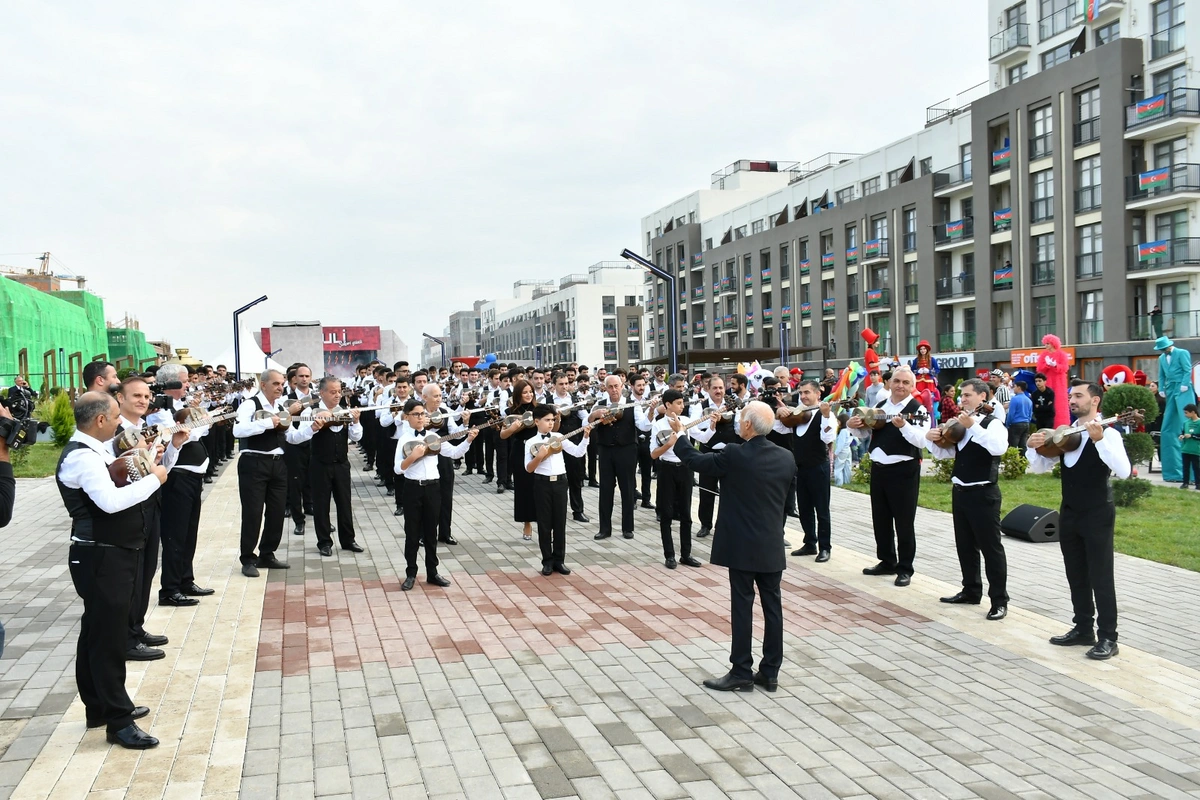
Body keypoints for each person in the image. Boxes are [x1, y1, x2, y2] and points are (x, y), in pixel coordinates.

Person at [57, 391, 169, 749]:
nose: (122, 422)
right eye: (117, 416)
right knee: (108, 639)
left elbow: (119, 479)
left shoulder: (97, 451)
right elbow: (109, 502)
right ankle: (119, 721)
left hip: (109, 553)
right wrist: (155, 479)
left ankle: (99, 707)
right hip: (100, 556)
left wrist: (147, 462)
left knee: (96, 631)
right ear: (100, 420)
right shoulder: (82, 458)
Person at [670, 401, 795, 693]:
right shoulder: (786, 457)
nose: (737, 422)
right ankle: (770, 672)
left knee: (742, 606)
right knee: (773, 607)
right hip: (771, 542)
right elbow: (787, 501)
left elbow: (696, 461)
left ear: (748, 425)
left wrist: (680, 436)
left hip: (741, 544)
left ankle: (741, 671)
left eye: (740, 418)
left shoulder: (735, 454)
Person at [1026, 381, 1130, 660]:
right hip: (1069, 511)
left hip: (1097, 512)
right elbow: (1039, 467)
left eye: (1078, 396)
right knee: (1076, 572)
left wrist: (1099, 440)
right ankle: (1083, 628)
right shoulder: (1066, 433)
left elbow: (1123, 470)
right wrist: (1033, 447)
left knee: (1101, 575)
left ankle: (1108, 637)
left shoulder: (1109, 433)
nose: (1072, 400)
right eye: (1070, 396)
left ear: (1095, 401)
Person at [924, 379, 1009, 620]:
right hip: (960, 491)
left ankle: (999, 600)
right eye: (962, 396)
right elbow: (948, 453)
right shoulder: (961, 423)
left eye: (968, 395)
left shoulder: (993, 424)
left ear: (983, 397)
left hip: (983, 492)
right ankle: (971, 590)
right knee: (965, 545)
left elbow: (998, 448)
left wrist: (973, 427)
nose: (963, 399)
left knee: (991, 548)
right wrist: (931, 439)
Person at [848, 366, 930, 586]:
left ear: (912, 386)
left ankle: (905, 568)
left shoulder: (918, 409)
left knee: (904, 521)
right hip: (879, 469)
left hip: (904, 470)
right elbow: (866, 432)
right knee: (881, 519)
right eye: (897, 381)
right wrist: (853, 426)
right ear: (889, 383)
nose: (900, 386)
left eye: (905, 382)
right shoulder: (881, 406)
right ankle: (887, 561)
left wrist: (904, 426)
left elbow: (922, 441)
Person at [232, 369, 308, 577]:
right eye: (275, 384)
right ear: (263, 384)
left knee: (276, 512)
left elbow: (292, 436)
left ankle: (267, 553)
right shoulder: (250, 404)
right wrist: (267, 423)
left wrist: (312, 430)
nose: (280, 388)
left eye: (282, 384)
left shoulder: (281, 407)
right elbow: (238, 431)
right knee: (253, 513)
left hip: (278, 463)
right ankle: (248, 558)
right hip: (253, 463)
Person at [395, 399, 477, 590]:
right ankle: (411, 573)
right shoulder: (404, 439)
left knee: (431, 532)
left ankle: (432, 572)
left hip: (433, 488)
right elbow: (398, 469)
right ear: (407, 417)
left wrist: (469, 440)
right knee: (412, 533)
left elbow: (454, 453)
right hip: (413, 488)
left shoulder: (433, 437)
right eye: (416, 414)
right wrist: (413, 457)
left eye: (422, 414)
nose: (420, 417)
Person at [289, 377, 363, 556]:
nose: (337, 395)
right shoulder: (311, 411)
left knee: (345, 503)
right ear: (322, 393)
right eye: (333, 392)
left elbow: (356, 437)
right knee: (321, 505)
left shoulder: (343, 410)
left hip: (342, 464)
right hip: (320, 465)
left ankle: (348, 540)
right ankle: (324, 542)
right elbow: (298, 437)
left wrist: (356, 421)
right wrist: (313, 427)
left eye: (339, 391)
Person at [525, 405, 590, 575]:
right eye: (547, 420)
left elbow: (577, 453)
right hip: (542, 484)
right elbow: (529, 468)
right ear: (536, 421)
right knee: (544, 524)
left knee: (560, 523)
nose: (551, 423)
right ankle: (547, 561)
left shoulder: (559, 437)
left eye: (552, 420)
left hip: (560, 482)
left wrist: (585, 437)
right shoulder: (531, 442)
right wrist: (540, 456)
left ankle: (559, 560)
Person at [779, 380, 837, 562]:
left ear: (818, 394)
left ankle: (825, 547)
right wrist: (779, 413)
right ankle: (810, 542)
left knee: (822, 510)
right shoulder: (798, 413)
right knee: (804, 508)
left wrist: (826, 416)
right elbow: (779, 428)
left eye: (807, 392)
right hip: (801, 468)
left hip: (818, 467)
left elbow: (828, 437)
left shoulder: (825, 414)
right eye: (801, 393)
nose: (803, 396)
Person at [650, 390, 703, 570]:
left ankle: (686, 554)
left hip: (685, 469)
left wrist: (712, 425)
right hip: (666, 469)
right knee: (666, 513)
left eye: (683, 403)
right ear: (667, 405)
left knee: (686, 513)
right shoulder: (658, 425)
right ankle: (669, 555)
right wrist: (669, 444)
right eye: (678, 403)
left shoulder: (686, 421)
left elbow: (702, 437)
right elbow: (653, 454)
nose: (682, 406)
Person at [588, 376, 638, 541]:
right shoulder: (599, 404)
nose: (614, 390)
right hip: (606, 450)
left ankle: (628, 528)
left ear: (622, 386)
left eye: (616, 386)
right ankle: (604, 529)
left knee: (627, 489)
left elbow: (644, 425)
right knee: (605, 489)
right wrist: (594, 415)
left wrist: (652, 411)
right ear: (605, 388)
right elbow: (586, 423)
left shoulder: (632, 404)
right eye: (610, 387)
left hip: (627, 450)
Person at [690, 376, 739, 539]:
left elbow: (739, 428)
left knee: (729, 491)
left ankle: (724, 525)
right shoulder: (700, 406)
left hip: (729, 454)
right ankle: (705, 524)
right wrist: (707, 430)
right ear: (707, 389)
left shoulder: (732, 404)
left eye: (721, 388)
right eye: (715, 388)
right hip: (708, 452)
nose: (718, 391)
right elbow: (693, 428)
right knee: (706, 489)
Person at [500, 379, 539, 541]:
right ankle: (527, 523)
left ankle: (544, 523)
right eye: (525, 392)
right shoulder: (510, 411)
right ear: (518, 394)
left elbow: (553, 428)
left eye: (531, 392)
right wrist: (512, 428)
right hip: (520, 452)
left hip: (538, 451)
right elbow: (503, 435)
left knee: (541, 488)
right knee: (523, 489)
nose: (529, 395)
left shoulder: (540, 409)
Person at [1156, 336, 1196, 482]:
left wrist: (1185, 384)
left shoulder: (1182, 353)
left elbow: (1187, 369)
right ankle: (1173, 472)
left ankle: (1193, 474)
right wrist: (1161, 388)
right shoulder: (1162, 358)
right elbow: (1161, 375)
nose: (1162, 351)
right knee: (1168, 428)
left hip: (1183, 388)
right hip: (1170, 389)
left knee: (1188, 423)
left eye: (1163, 348)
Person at [1006, 380, 1033, 450]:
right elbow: (1030, 414)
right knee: (1023, 445)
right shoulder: (1028, 400)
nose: (1013, 388)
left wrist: (1007, 424)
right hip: (1026, 423)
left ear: (1019, 388)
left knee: (1013, 445)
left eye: (1014, 387)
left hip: (1016, 424)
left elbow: (1011, 414)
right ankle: (1023, 456)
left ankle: (1013, 457)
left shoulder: (1014, 399)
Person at [1179, 404, 1200, 489]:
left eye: (1186, 413)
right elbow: (1183, 432)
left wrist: (1192, 436)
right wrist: (1181, 436)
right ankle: (1185, 483)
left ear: (1193, 412)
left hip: (1196, 449)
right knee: (1185, 467)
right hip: (1186, 449)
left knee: (1196, 467)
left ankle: (1198, 483)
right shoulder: (1186, 423)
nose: (1185, 415)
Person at [832, 413, 852, 486]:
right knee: (847, 466)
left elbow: (841, 444)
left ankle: (839, 483)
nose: (837, 423)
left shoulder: (843, 431)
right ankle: (847, 481)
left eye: (838, 421)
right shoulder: (849, 430)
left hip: (842, 451)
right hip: (848, 449)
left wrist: (836, 453)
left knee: (838, 467)